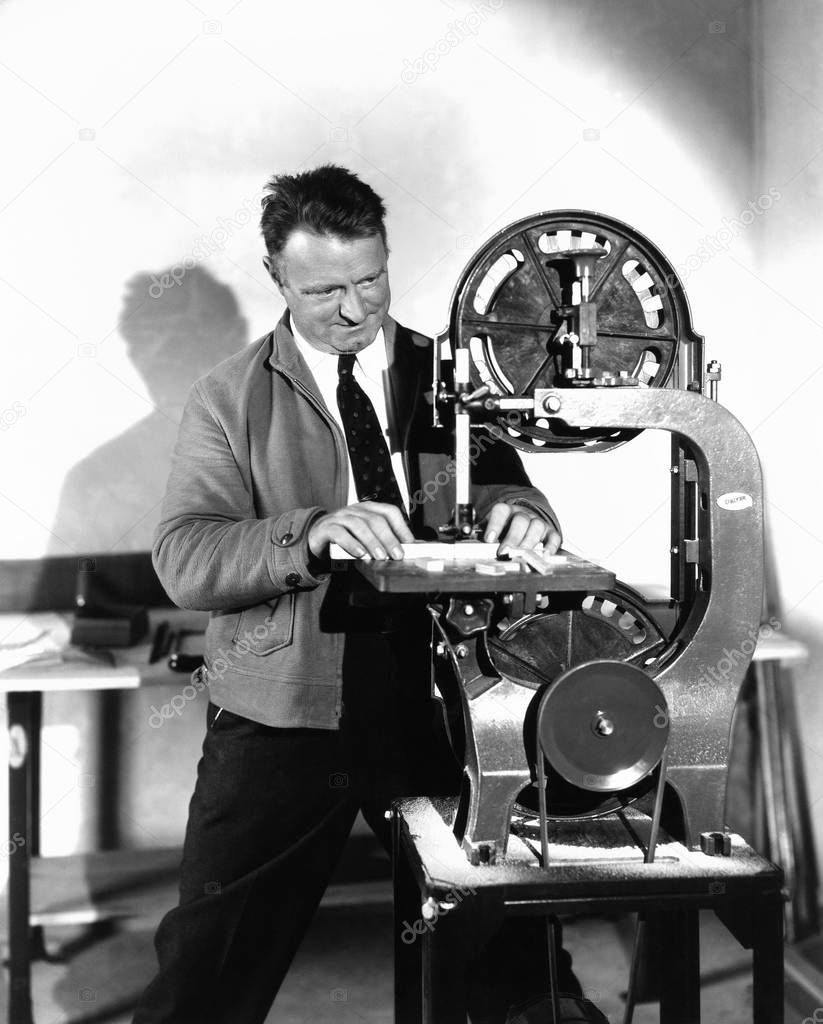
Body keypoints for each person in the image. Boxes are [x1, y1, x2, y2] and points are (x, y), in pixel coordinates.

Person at [133, 165, 600, 1024]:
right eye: (325, 291)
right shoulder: (227, 398)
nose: (355, 310)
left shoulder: (451, 372)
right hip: (285, 714)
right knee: (208, 970)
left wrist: (522, 515)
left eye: (370, 280)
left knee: (512, 957)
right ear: (276, 278)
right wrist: (308, 532)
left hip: (442, 697)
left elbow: (509, 487)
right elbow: (183, 557)